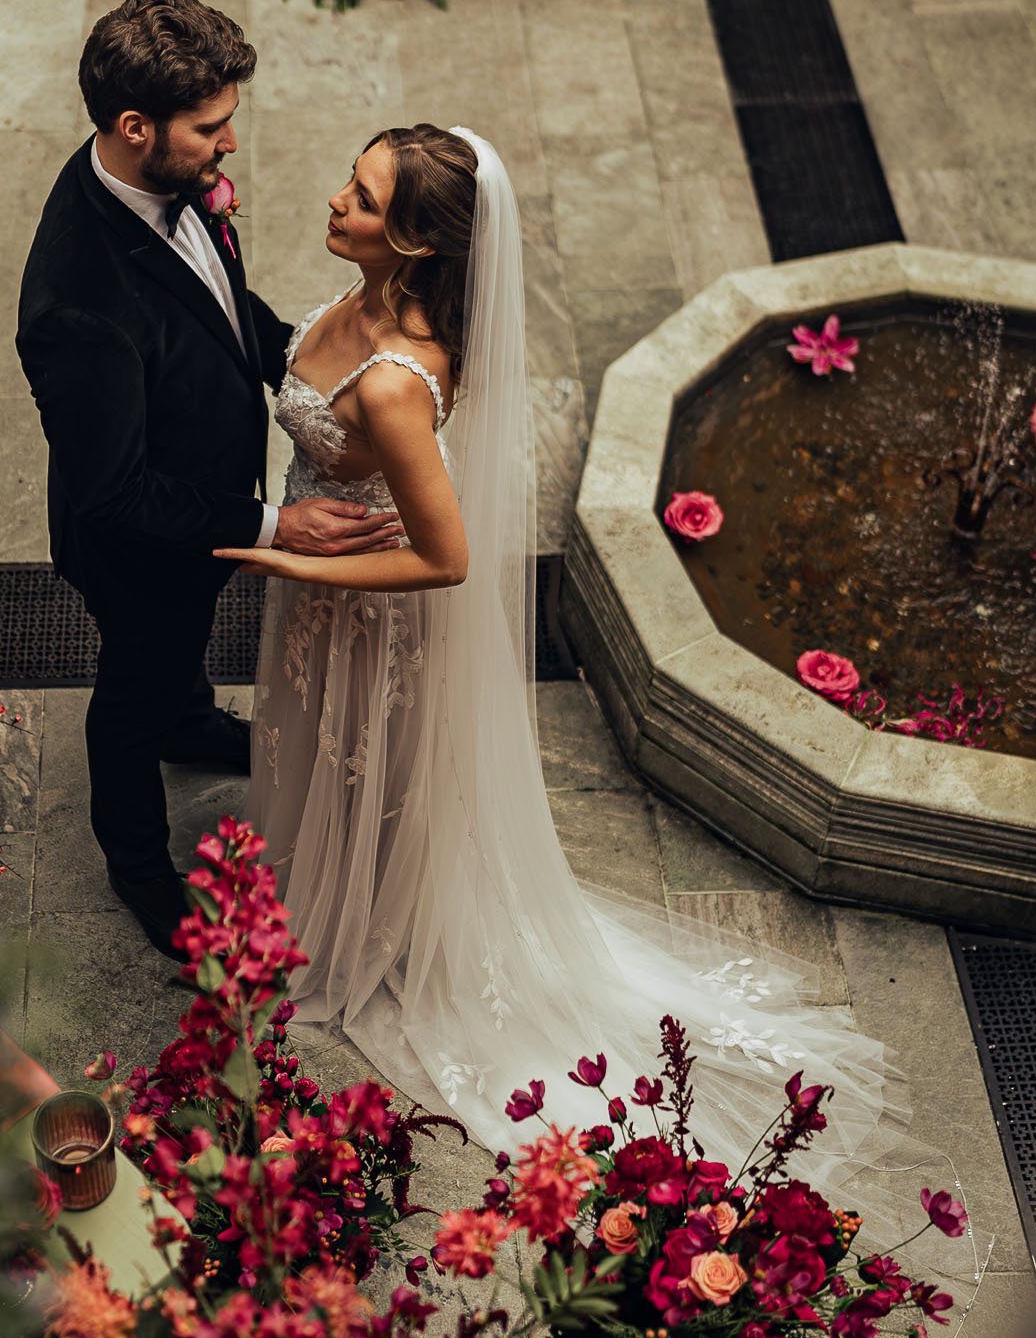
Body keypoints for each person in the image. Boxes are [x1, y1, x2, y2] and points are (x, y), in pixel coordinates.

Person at [218, 123, 904, 1184]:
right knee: (319, 753)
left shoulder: (399, 382)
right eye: (348, 183)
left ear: (413, 244)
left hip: (363, 606)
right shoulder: (359, 303)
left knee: (368, 767)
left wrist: (303, 570)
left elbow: (444, 558)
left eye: (359, 198)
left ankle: (366, 923)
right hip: (324, 580)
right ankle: (319, 890)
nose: (332, 202)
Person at [15, 0, 401, 958]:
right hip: (142, 546)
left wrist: (299, 359)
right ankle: (141, 867)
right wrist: (276, 525)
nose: (230, 144)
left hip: (201, 505)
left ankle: (189, 722)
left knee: (182, 653)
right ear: (135, 126)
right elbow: (117, 493)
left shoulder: (161, 177)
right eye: (212, 126)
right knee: (130, 690)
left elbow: (219, 302)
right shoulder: (80, 305)